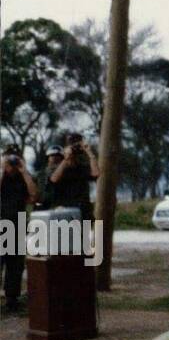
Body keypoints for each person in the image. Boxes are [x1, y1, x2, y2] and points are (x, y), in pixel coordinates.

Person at [1, 146, 38, 312]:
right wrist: (2, 170)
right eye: (9, 160)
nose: (12, 164)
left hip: (17, 225)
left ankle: (12, 299)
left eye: (14, 160)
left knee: (15, 265)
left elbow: (34, 197)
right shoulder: (2, 177)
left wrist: (24, 172)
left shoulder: (24, 178)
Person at [45, 131, 98, 218]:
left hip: (83, 211)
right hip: (64, 211)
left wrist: (90, 154)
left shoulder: (81, 167)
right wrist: (66, 159)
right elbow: (53, 179)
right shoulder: (57, 167)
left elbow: (96, 174)